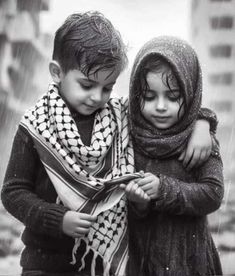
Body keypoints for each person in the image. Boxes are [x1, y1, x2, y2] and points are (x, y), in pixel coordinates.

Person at [1, 12, 217, 276]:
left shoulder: (118, 115)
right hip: (44, 262)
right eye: (87, 85)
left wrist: (203, 123)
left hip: (103, 265)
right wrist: (58, 220)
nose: (96, 97)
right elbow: (13, 192)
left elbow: (171, 108)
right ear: (57, 72)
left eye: (107, 87)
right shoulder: (35, 127)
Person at [122, 36, 224, 276]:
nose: (160, 106)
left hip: (190, 261)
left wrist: (163, 190)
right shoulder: (129, 136)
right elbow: (122, 203)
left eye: (172, 96)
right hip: (142, 259)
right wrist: (139, 203)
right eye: (149, 97)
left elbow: (213, 193)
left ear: (189, 93)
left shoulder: (199, 140)